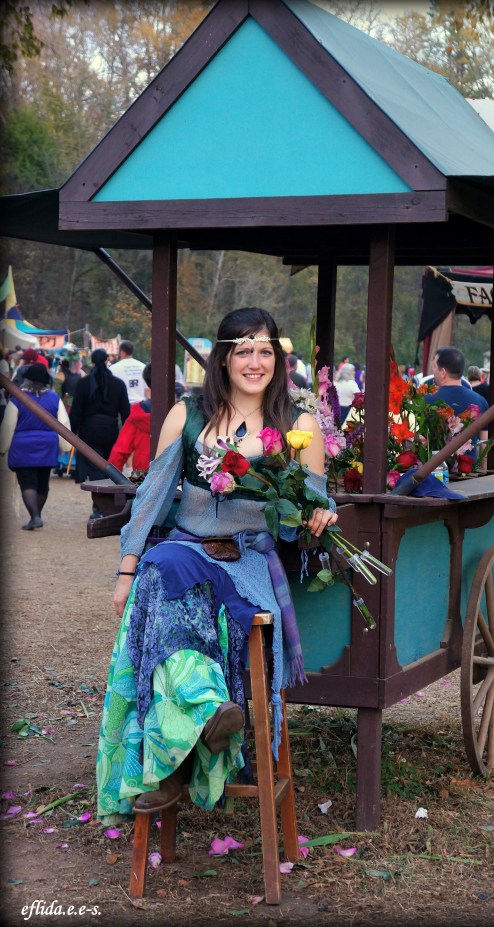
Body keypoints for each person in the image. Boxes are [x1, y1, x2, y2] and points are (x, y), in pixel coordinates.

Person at [96, 307, 338, 823]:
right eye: (243, 350)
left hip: (247, 559)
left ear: (279, 357)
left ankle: (176, 760)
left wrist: (318, 512)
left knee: (190, 591)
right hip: (187, 549)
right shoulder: (187, 414)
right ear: (224, 358)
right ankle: (206, 710)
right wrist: (126, 570)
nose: (255, 361)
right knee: (162, 573)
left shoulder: (300, 425)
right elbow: (153, 498)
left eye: (265, 350)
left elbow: (310, 502)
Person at [0, 363, 71, 530]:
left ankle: (35, 516)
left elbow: (9, 425)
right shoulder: (54, 398)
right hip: (47, 446)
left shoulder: (17, 399)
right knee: (42, 484)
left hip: (23, 448)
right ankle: (37, 514)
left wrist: (2, 447)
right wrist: (66, 445)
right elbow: (63, 423)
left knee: (27, 483)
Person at [69, 349, 130, 510]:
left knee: (95, 469)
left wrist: (73, 432)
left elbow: (76, 412)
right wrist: (127, 436)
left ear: (92, 361)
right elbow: (126, 414)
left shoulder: (83, 383)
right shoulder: (118, 384)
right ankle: (105, 505)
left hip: (89, 431)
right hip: (111, 430)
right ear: (106, 361)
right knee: (110, 467)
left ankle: (99, 506)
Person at [426, 347, 489, 459]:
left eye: (435, 367)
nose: (433, 371)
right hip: (467, 471)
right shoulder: (480, 401)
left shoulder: (427, 401)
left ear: (443, 372)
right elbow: (485, 446)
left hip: (433, 470)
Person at [108, 362, 152, 475]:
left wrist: (114, 476)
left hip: (142, 473)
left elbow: (121, 450)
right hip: (173, 476)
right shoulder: (179, 413)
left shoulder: (138, 413)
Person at [109, 340, 147, 405]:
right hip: (141, 407)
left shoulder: (113, 369)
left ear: (122, 352)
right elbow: (148, 389)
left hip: (122, 406)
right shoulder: (143, 367)